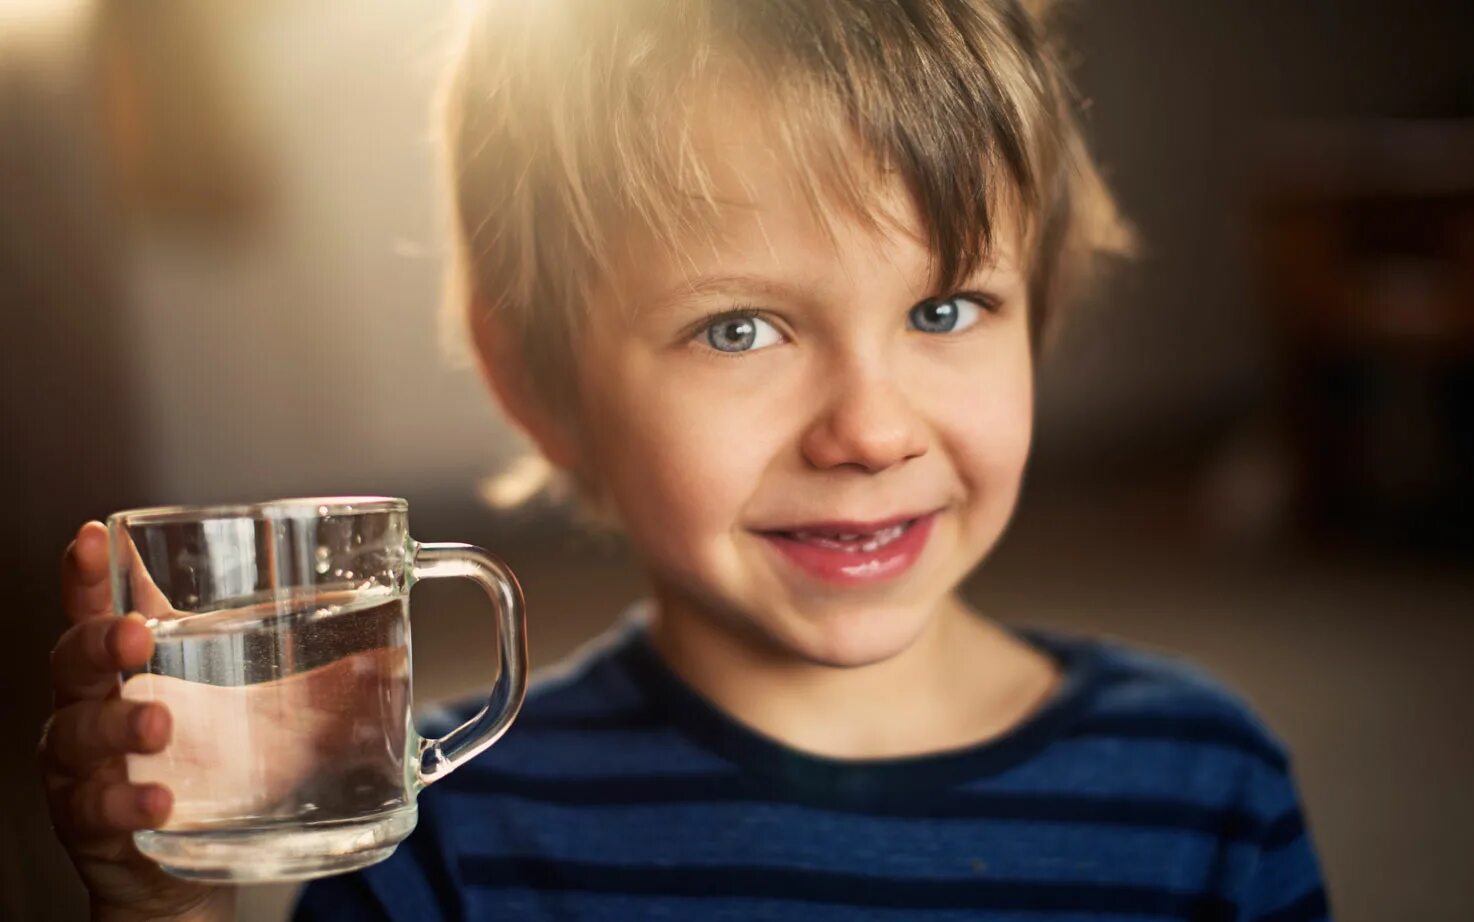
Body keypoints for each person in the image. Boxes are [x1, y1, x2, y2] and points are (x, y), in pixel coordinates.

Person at [41, 1, 1330, 919]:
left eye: (944, 311)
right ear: (535, 385)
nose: (872, 431)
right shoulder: (440, 845)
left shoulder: (1205, 789)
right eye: (740, 329)